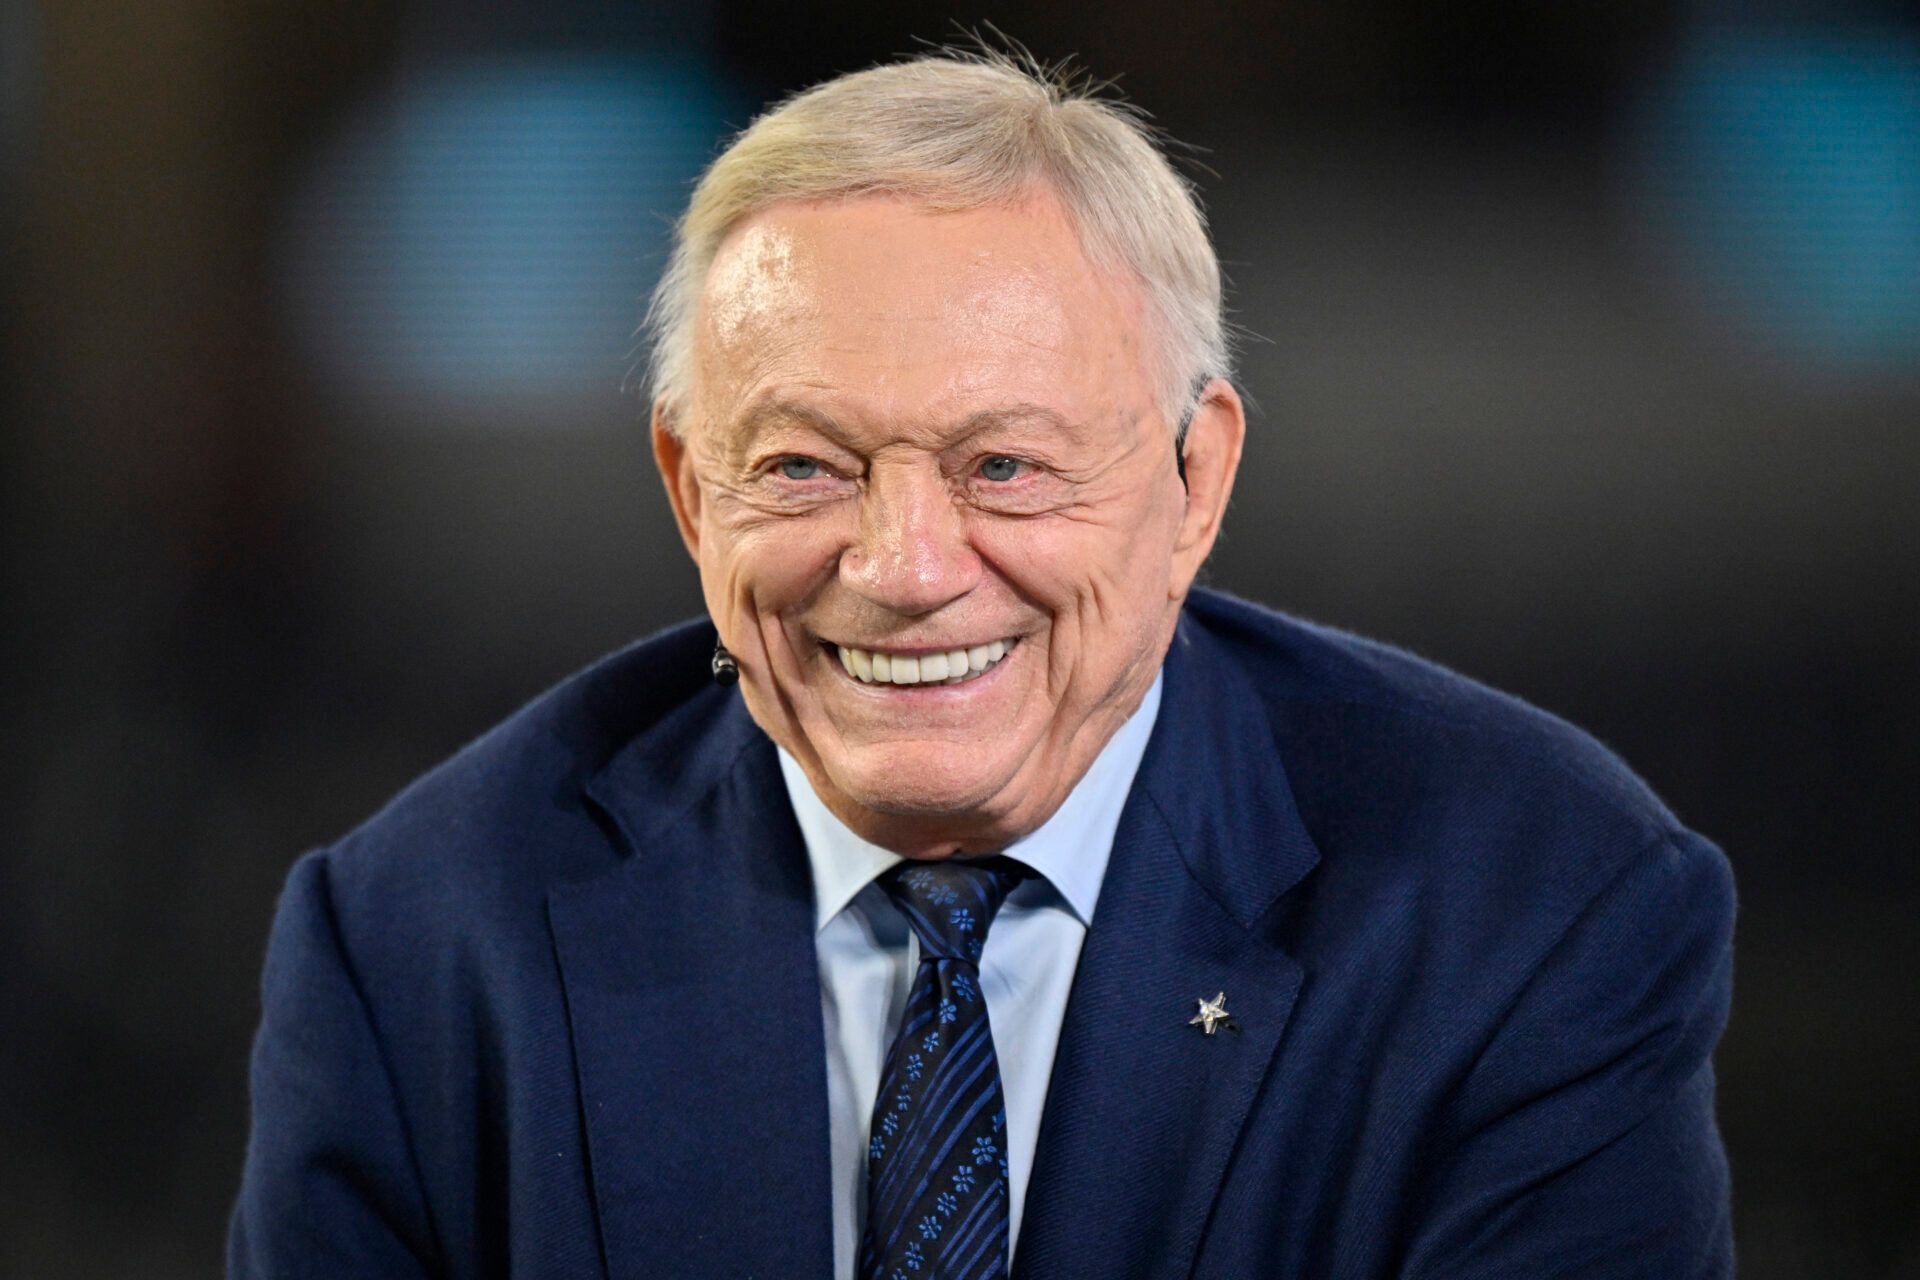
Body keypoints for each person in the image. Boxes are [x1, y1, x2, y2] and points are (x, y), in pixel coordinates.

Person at [229, 50, 1735, 1280]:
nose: (904, 567)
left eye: (1005, 465)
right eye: (807, 468)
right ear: (692, 493)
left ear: (1193, 480)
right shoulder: (420, 943)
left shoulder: (1534, 905)